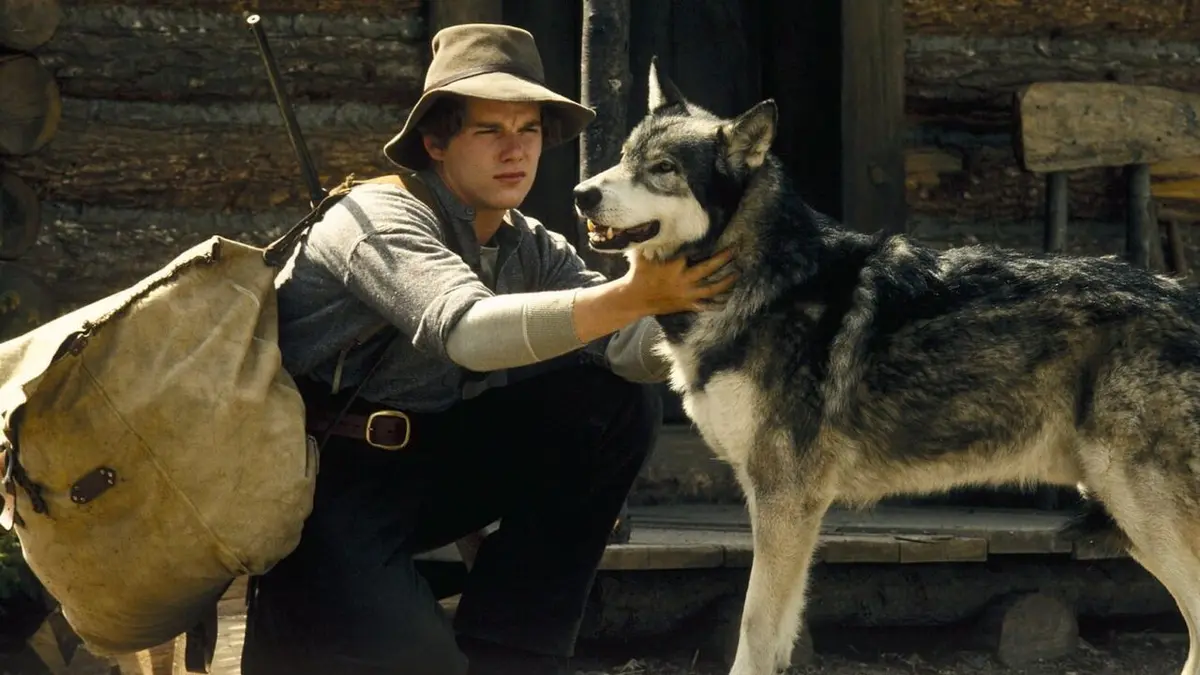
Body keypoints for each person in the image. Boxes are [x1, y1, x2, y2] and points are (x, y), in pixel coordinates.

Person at [238, 22, 736, 675]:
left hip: (433, 468)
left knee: (612, 403)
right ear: (435, 142)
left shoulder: (528, 244)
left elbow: (625, 349)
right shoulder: (375, 218)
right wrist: (637, 295)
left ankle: (516, 649)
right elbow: (467, 332)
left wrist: (719, 306)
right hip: (323, 491)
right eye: (489, 130)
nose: (515, 149)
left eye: (529, 129)